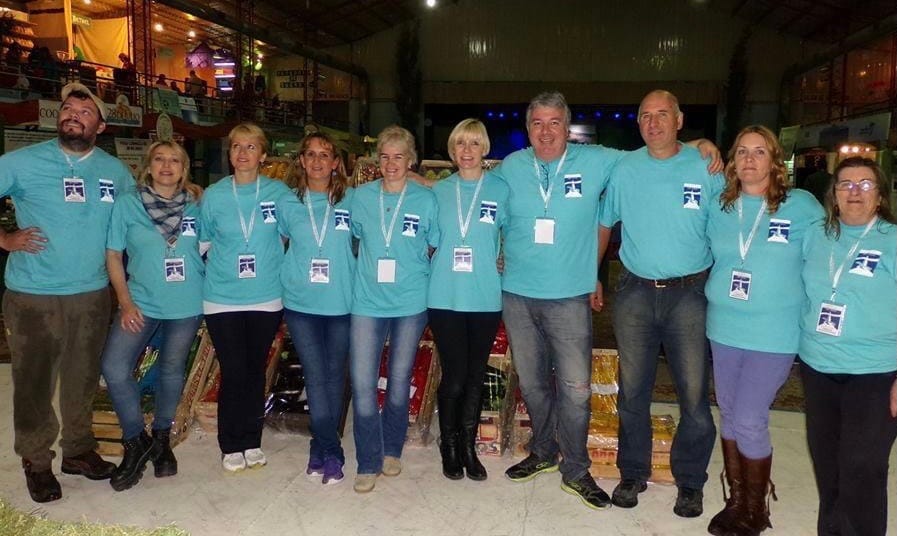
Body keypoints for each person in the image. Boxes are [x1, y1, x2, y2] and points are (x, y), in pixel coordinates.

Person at [499, 90, 719, 511]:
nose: (546, 131)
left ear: (568, 128)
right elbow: (475, 191)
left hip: (574, 296)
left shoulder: (600, 160)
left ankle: (578, 469)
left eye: (555, 122)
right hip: (519, 293)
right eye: (537, 123)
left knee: (578, 389)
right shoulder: (511, 166)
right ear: (527, 129)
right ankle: (546, 451)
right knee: (534, 384)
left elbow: (656, 148)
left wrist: (697, 144)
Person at [0, 82, 132, 503]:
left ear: (101, 126)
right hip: (33, 295)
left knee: (82, 378)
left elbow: (135, 223)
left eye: (85, 111)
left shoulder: (116, 172)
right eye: (68, 109)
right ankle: (37, 461)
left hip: (92, 295)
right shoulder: (22, 162)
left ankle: (78, 451)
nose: (74, 114)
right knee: (34, 383)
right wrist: (5, 239)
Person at [599, 89, 722, 517]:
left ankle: (690, 481)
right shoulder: (626, 169)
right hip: (635, 292)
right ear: (638, 123)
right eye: (645, 116)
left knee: (694, 394)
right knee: (633, 392)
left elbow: (732, 220)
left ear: (679, 120)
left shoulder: (705, 166)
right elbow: (604, 222)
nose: (653, 123)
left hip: (690, 294)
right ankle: (632, 473)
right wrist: (593, 276)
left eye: (662, 114)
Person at [704, 126, 823, 535]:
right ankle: (737, 501)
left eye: (759, 152)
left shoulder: (801, 206)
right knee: (729, 413)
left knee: (750, 418)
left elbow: (828, 254)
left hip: (774, 332)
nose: (750, 159)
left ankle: (757, 509)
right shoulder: (720, 207)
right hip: (724, 327)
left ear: (774, 161)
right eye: (742, 152)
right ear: (732, 161)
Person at [798, 157, 897, 536]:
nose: (855, 192)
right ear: (833, 194)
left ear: (880, 195)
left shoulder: (892, 240)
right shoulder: (816, 235)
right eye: (846, 184)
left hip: (876, 371)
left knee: (863, 466)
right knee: (828, 464)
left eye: (865, 184)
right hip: (818, 367)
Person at [99, 141, 204, 492]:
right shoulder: (127, 204)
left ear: (184, 169)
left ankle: (161, 440)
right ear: (148, 165)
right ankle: (135, 440)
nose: (166, 166)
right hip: (140, 302)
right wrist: (125, 302)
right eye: (159, 159)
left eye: (175, 160)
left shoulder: (197, 205)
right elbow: (114, 255)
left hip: (186, 302)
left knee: (171, 369)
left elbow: (214, 245)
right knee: (114, 367)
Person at [349, 125, 439, 493]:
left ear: (411, 160)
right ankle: (367, 460)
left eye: (398, 156)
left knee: (400, 380)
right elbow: (354, 237)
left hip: (410, 301)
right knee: (363, 382)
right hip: (367, 301)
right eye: (384, 156)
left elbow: (433, 243)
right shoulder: (359, 197)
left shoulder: (425, 200)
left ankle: (391, 449)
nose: (391, 163)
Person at [200, 123, 291, 473]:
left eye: (251, 147)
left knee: (255, 370)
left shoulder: (279, 193)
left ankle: (252, 440)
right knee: (234, 369)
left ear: (263, 155)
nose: (242, 153)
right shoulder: (214, 195)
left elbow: (296, 231)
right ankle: (230, 443)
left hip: (266, 296)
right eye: (237, 146)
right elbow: (200, 244)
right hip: (222, 296)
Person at [428, 119, 508, 481]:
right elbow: (430, 241)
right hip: (444, 295)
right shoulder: (439, 191)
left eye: (474, 143)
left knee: (476, 377)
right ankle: (449, 445)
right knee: (455, 377)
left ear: (485, 148)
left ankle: (468, 447)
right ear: (452, 149)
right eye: (460, 143)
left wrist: (504, 255)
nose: (467, 150)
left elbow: (512, 233)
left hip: (485, 295)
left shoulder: (501, 190)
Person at [280, 132, 355, 485]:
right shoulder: (286, 202)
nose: (317, 161)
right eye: (310, 154)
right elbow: (277, 243)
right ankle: (331, 449)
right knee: (314, 375)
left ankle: (320, 444)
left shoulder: (352, 200)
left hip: (341, 301)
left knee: (334, 376)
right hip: (301, 302)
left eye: (325, 154)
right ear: (301, 160)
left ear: (336, 162)